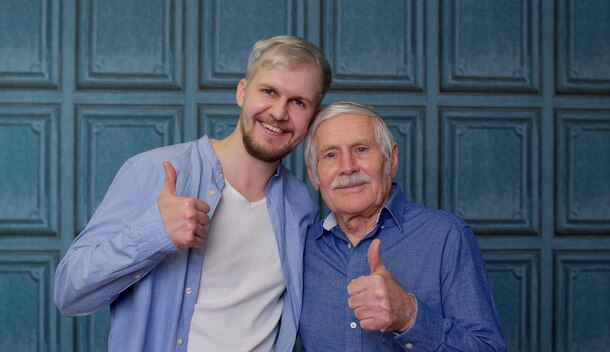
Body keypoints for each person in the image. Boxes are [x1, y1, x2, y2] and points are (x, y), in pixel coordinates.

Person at [54, 35, 332, 351]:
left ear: (313, 116)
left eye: (298, 102)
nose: (279, 113)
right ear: (242, 92)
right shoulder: (152, 172)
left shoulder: (302, 207)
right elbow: (69, 294)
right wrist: (154, 233)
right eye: (268, 91)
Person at [298, 102, 506, 351]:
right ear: (313, 174)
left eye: (361, 149)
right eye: (331, 154)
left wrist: (409, 316)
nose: (347, 166)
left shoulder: (446, 236)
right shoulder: (301, 246)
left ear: (391, 158)